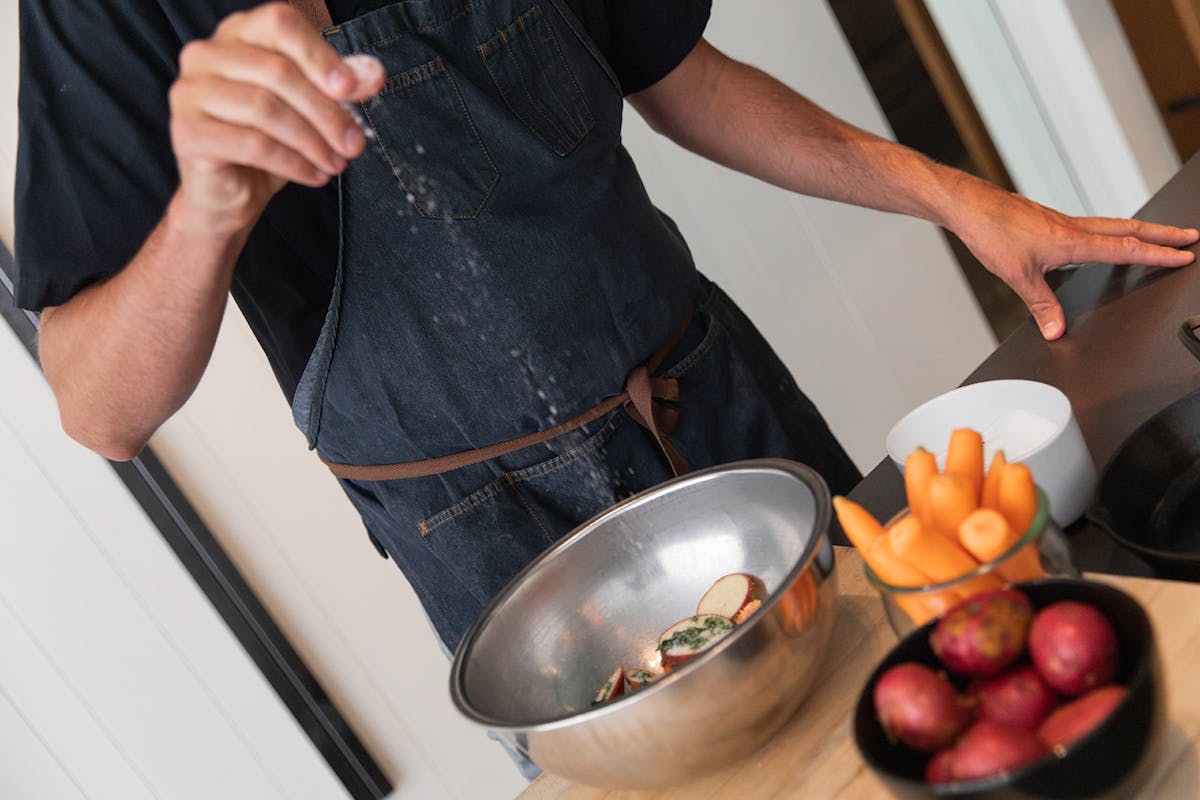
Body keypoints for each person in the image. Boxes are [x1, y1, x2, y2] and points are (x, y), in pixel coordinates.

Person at [16, 0, 1197, 656]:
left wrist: (957, 196)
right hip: (506, 553)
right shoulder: (104, 15)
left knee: (906, 691)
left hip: (719, 410)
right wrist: (209, 208)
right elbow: (100, 404)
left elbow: (685, 76)